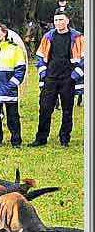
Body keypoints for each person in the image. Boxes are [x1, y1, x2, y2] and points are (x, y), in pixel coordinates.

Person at [29, 9, 84, 148]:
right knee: (45, 108)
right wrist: (43, 74)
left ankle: (64, 138)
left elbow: (85, 58)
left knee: (67, 110)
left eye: (61, 20)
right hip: (51, 78)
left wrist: (74, 76)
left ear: (67, 21)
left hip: (68, 79)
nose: (58, 23)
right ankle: (41, 138)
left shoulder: (77, 37)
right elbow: (40, 56)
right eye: (56, 20)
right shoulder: (48, 36)